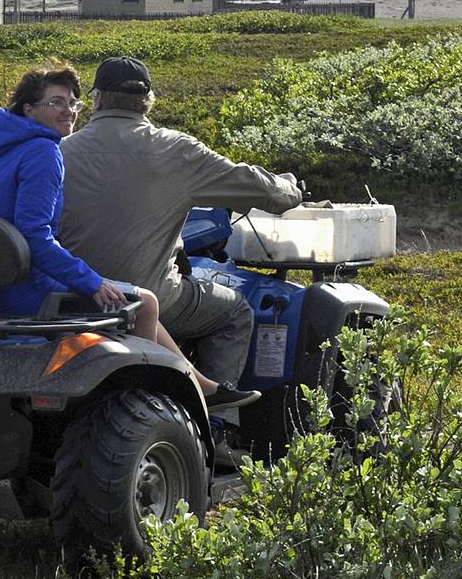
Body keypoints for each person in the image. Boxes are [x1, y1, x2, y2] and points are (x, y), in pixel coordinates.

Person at [0, 63, 258, 409]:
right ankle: (147, 405)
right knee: (143, 302)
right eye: (57, 102)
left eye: (74, 103)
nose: (69, 111)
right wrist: (92, 282)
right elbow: (34, 236)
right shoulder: (43, 152)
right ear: (30, 109)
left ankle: (201, 385)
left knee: (136, 298)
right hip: (29, 293)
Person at [59, 55, 303, 395]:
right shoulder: (176, 150)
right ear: (148, 102)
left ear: (97, 99)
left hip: (67, 299)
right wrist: (290, 189)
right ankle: (219, 423)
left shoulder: (60, 151)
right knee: (234, 312)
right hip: (146, 299)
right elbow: (256, 187)